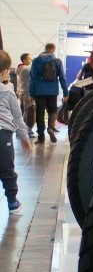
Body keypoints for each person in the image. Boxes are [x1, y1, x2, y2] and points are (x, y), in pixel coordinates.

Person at [1, 51, 35, 212]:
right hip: (3, 135)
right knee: (7, 168)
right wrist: (24, 137)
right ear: (4, 72)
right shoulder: (7, 92)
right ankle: (12, 202)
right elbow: (18, 117)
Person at [28, 43, 69, 144]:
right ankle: (51, 127)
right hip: (52, 91)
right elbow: (62, 78)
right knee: (53, 110)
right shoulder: (57, 61)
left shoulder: (36, 61)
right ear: (53, 50)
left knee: (40, 113)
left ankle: (41, 137)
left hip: (39, 91)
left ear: (45, 49)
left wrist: (31, 93)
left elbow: (32, 79)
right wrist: (65, 93)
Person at [14, 52, 34, 140]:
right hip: (27, 93)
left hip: (21, 92)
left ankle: (21, 130)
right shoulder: (26, 69)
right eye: (29, 59)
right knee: (29, 112)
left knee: (22, 112)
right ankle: (27, 130)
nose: (31, 60)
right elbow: (31, 82)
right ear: (24, 60)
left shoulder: (19, 69)